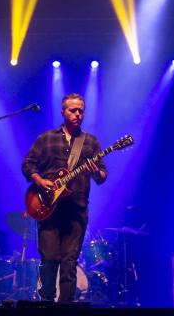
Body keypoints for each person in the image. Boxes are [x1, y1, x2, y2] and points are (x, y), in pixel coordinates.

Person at [22, 93, 107, 302]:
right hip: (47, 208)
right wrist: (40, 181)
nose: (78, 114)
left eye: (81, 110)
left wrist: (95, 171)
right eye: (73, 110)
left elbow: (102, 177)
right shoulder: (46, 139)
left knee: (69, 262)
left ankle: (65, 308)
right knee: (49, 259)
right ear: (63, 112)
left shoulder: (90, 142)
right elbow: (28, 165)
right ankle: (47, 304)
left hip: (76, 210)